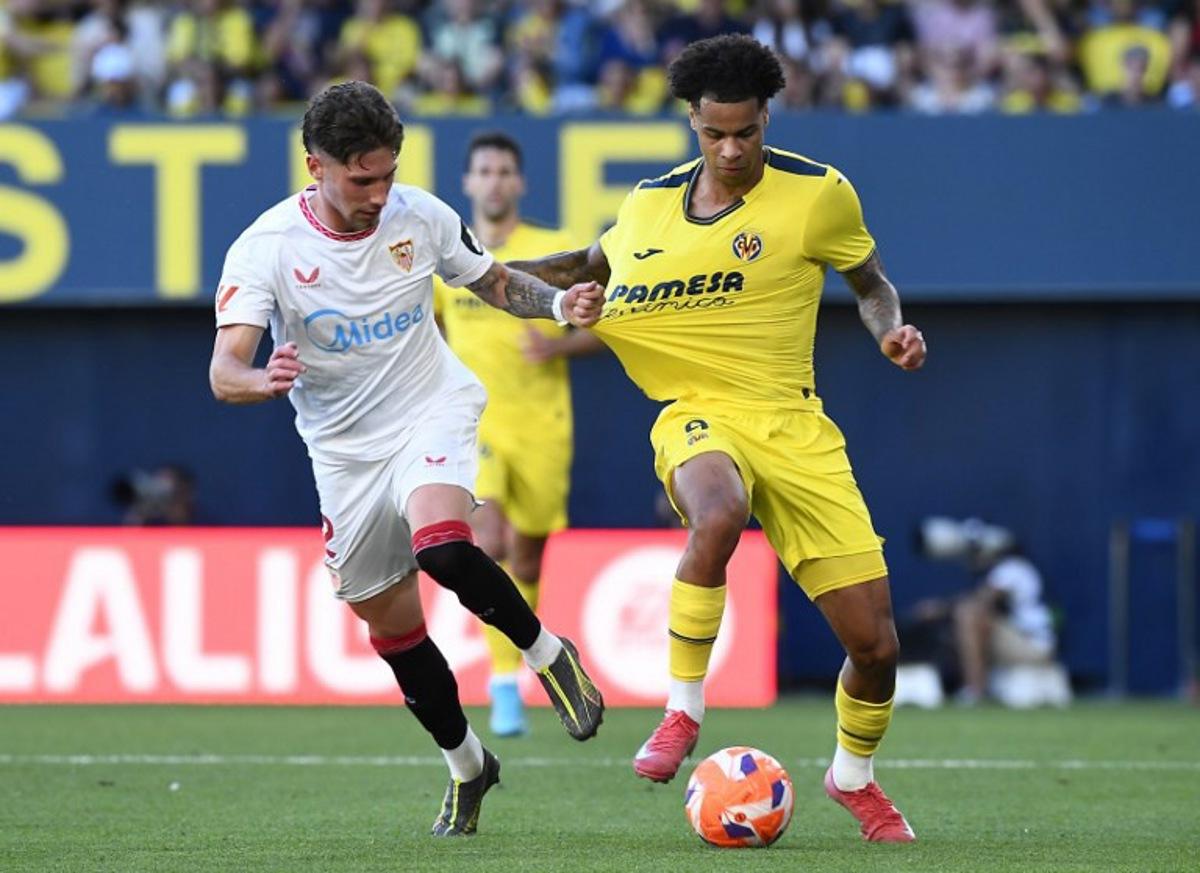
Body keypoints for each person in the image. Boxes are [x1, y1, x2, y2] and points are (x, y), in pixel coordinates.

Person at [509, 34, 926, 843]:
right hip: (696, 412)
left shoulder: (819, 194)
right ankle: (682, 709)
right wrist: (484, 273)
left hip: (793, 422)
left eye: (746, 132)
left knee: (875, 646)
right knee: (718, 511)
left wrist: (891, 331)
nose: (731, 150)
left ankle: (853, 777)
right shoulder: (648, 205)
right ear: (691, 123)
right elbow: (578, 266)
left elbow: (871, 283)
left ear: (767, 117)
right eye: (714, 134)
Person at [208, 81, 605, 837]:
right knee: (392, 631)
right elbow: (224, 371)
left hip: (431, 406)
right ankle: (468, 764)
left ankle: (548, 653)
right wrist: (261, 379)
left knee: (445, 546)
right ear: (315, 166)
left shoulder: (418, 215)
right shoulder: (266, 248)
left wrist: (558, 306)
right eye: (363, 180)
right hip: (344, 454)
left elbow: (493, 281)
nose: (380, 194)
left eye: (389, 174)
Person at [434, 131, 605, 738]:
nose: (495, 181)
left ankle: (520, 667)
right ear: (468, 181)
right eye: (484, 170)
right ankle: (503, 684)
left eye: (505, 171)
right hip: (473, 424)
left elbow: (603, 323)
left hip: (541, 423)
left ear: (520, 182)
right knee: (488, 540)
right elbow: (430, 327)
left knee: (528, 553)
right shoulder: (451, 254)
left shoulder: (553, 249)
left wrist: (561, 345)